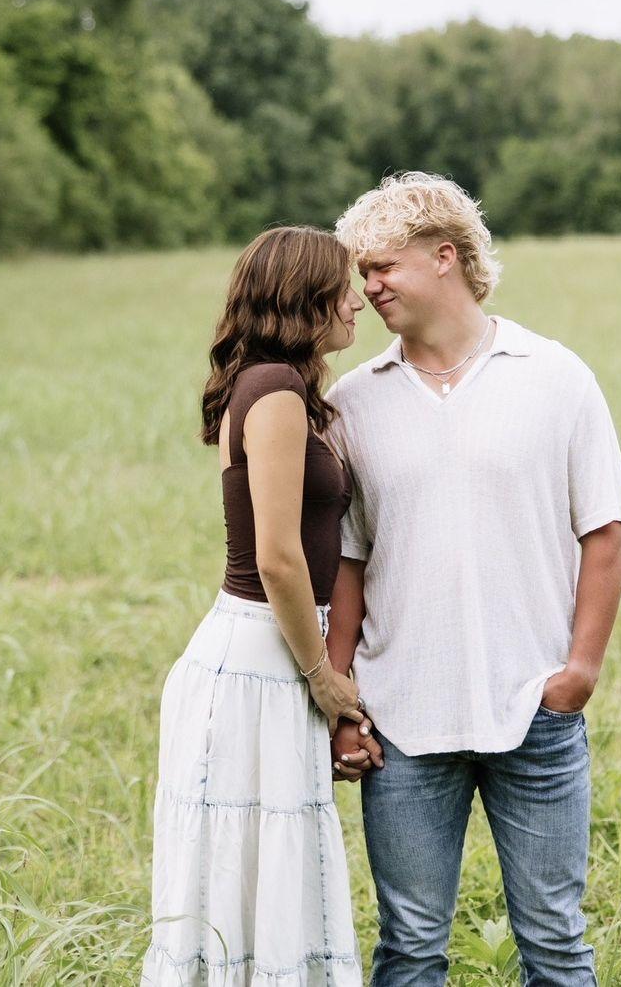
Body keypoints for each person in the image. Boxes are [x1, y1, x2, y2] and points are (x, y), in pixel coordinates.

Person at [326, 172, 621, 987]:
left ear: (445, 257)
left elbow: (604, 529)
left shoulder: (555, 375)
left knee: (556, 944)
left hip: (533, 707)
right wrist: (344, 694)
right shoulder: (354, 401)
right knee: (412, 946)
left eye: (383, 267)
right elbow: (349, 560)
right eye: (364, 274)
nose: (369, 288)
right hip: (404, 721)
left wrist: (579, 673)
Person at [141, 226, 369, 987]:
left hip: (270, 651)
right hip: (258, 655)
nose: (359, 300)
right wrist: (321, 675)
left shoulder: (292, 392)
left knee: (266, 876)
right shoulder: (271, 391)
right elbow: (276, 556)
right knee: (250, 877)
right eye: (343, 287)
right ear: (304, 299)